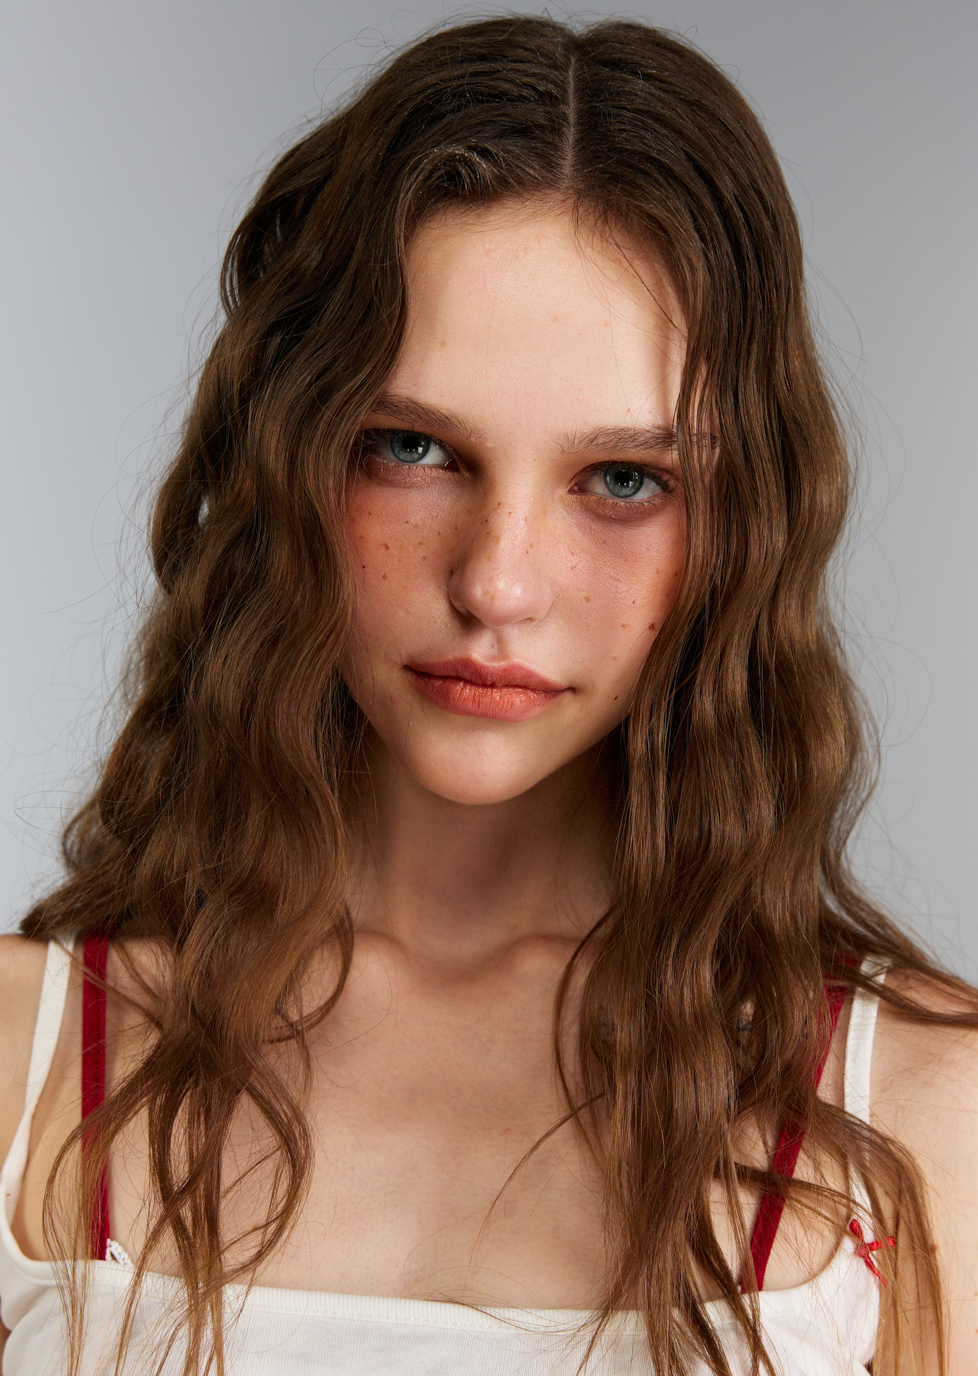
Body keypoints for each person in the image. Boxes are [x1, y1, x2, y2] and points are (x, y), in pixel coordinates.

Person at [0, 14, 975, 1375]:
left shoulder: (921, 1109)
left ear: (744, 527)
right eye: (413, 449)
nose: (499, 584)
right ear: (286, 455)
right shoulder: (27, 1058)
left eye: (623, 480)